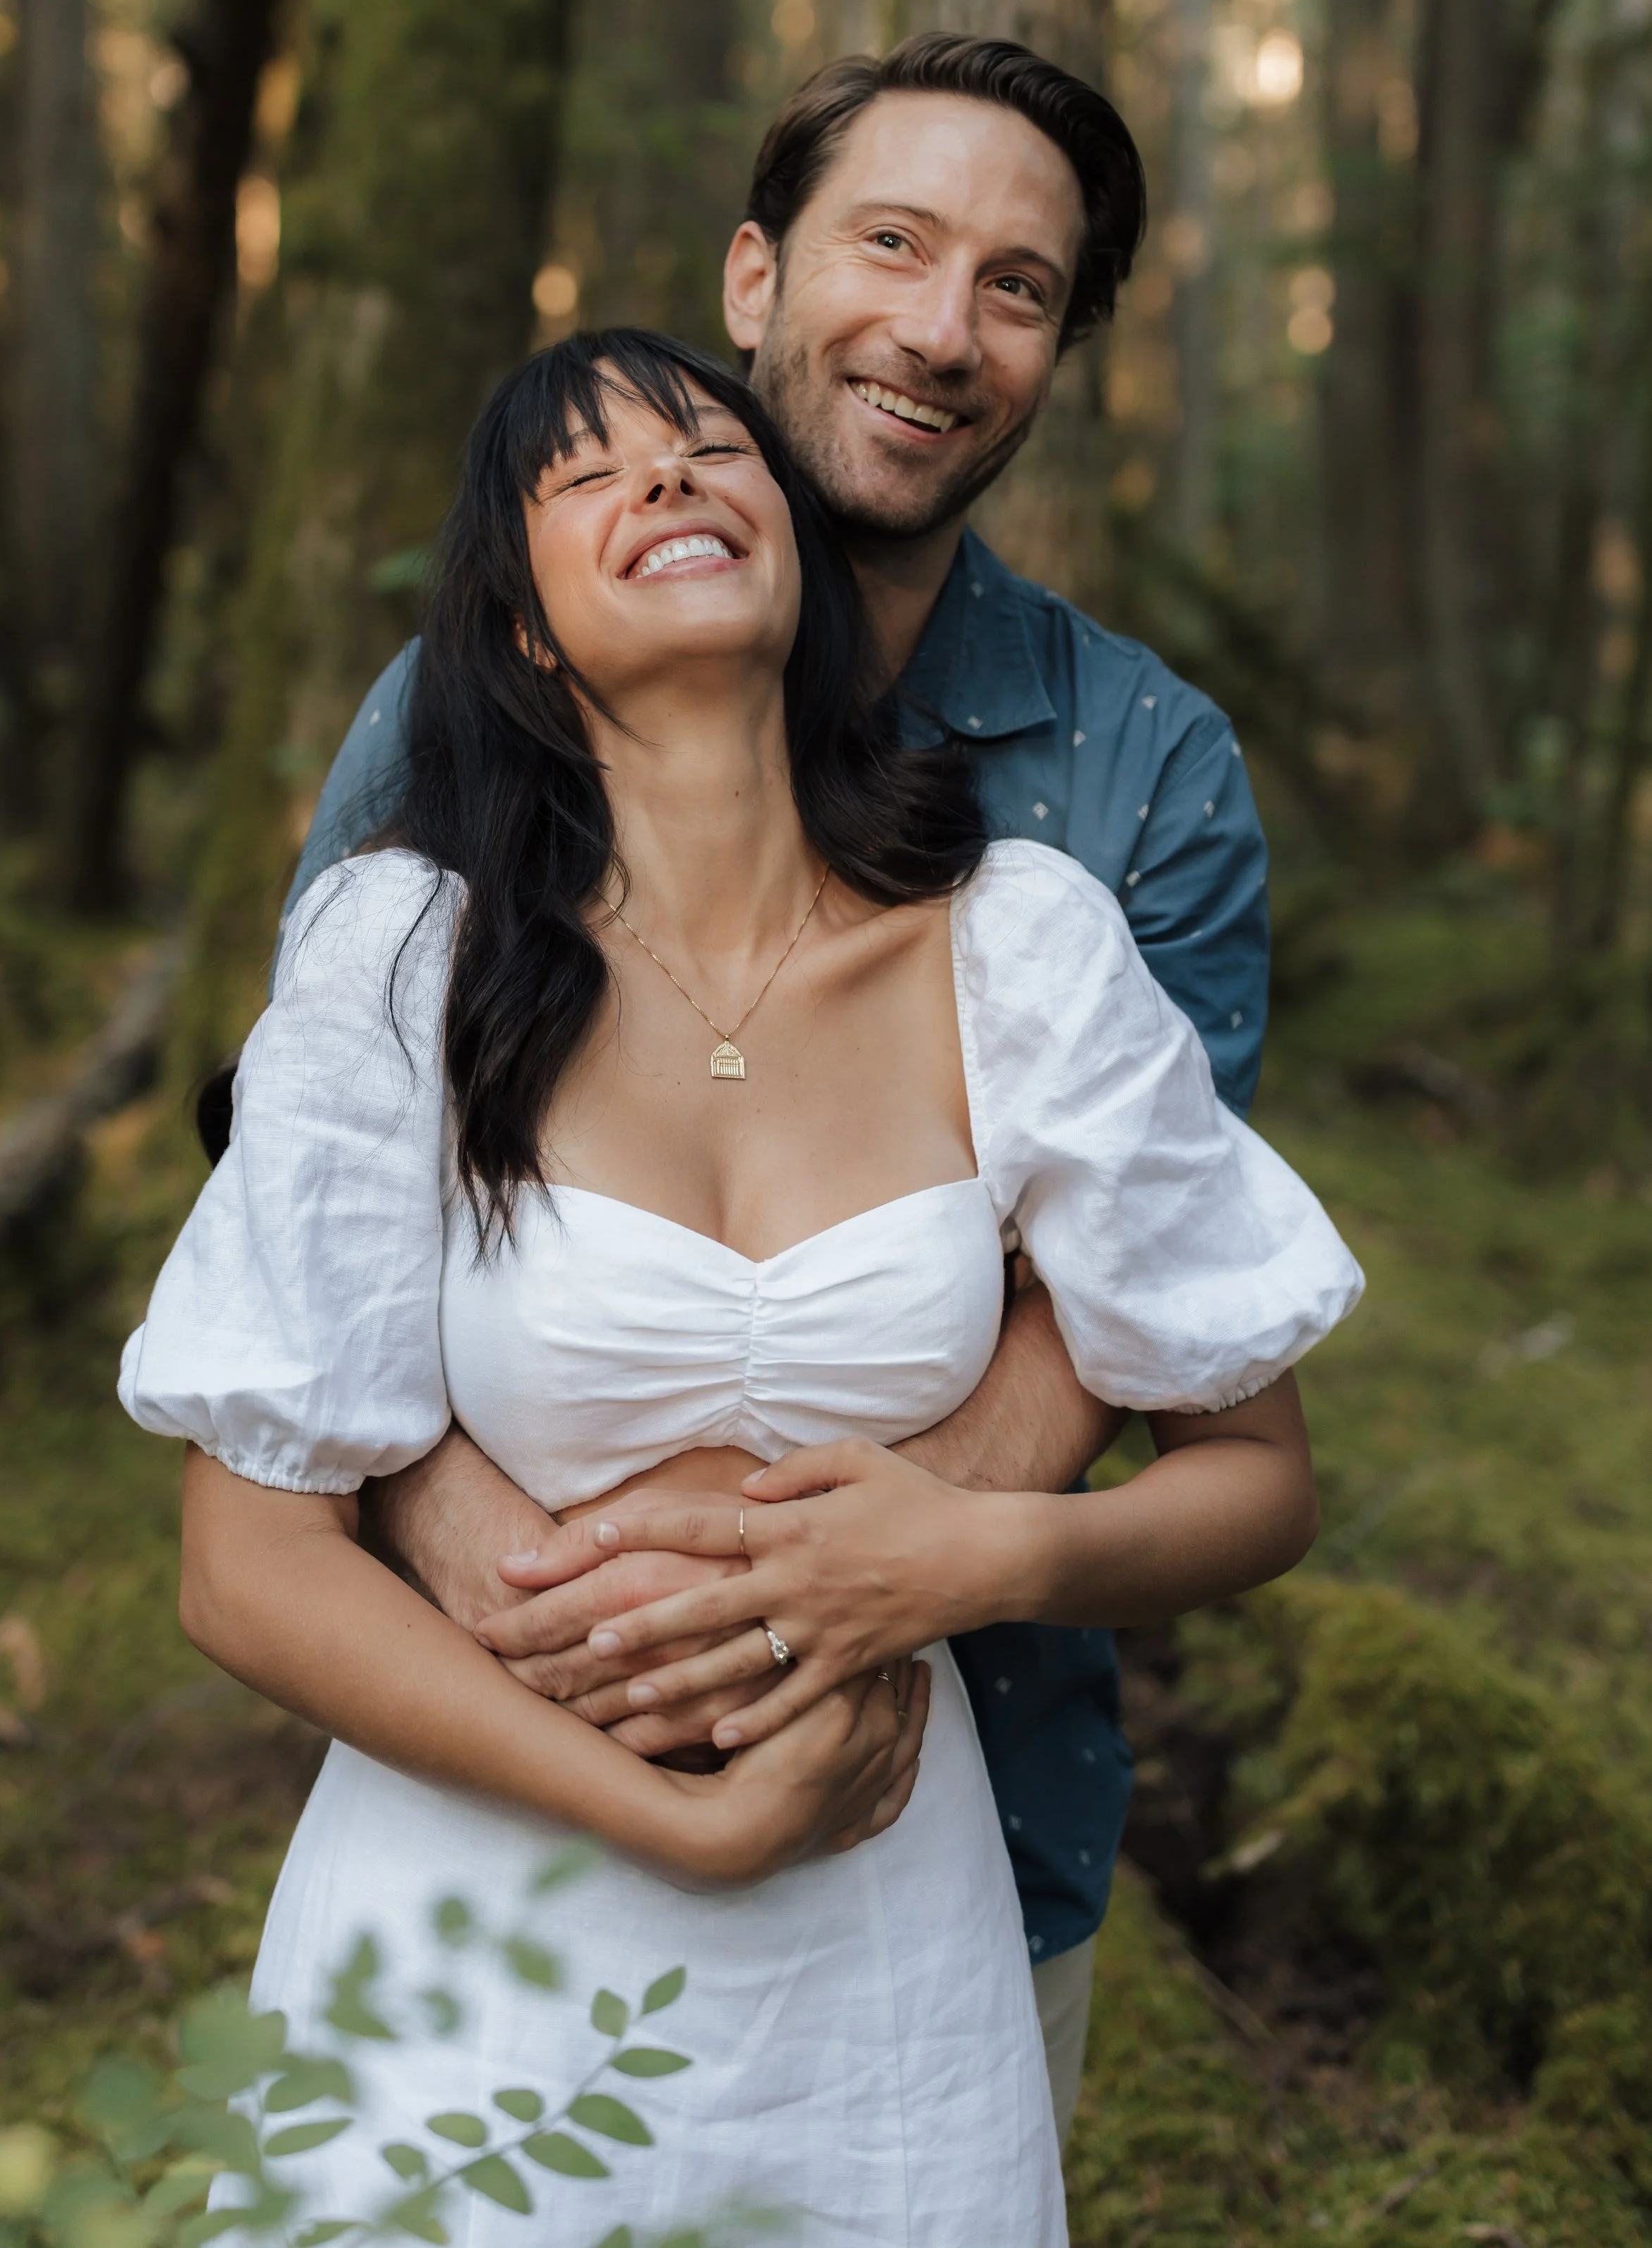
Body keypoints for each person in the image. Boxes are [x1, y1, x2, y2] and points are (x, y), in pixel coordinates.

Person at [124, 329, 1361, 2241]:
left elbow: (1256, 1475)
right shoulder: (402, 954)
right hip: (474, 1902)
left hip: (878, 1934)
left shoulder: (1014, 948)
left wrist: (973, 1558)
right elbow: (244, 1561)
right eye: (588, 472)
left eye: (712, 449)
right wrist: (669, 1814)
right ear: (521, 628)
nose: (674, 479)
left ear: (795, 564)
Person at [277, 33, 1269, 2135]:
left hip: (951, 1779)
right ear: (753, 278)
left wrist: (846, 1590)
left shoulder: (1135, 777)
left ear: (1056, 349)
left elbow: (1150, 1302)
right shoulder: (463, 709)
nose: (937, 326)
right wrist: (500, 1568)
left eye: (1016, 285)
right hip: (508, 1739)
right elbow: (294, 1210)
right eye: (888, 244)